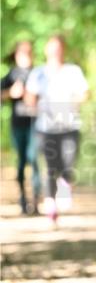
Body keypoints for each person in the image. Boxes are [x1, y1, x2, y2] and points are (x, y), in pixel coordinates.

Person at [24, 35, 89, 223]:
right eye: (51, 48)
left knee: (68, 164)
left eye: (58, 48)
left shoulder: (73, 71)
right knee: (51, 166)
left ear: (63, 50)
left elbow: (84, 93)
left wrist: (72, 103)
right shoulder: (38, 73)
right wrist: (35, 106)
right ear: (46, 50)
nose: (55, 52)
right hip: (46, 127)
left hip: (70, 125)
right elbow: (30, 97)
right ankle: (51, 202)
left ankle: (65, 185)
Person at [1, 40, 42, 215]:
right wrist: (11, 93)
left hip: (36, 124)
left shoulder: (38, 74)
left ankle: (35, 199)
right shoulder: (11, 75)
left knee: (34, 159)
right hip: (18, 125)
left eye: (29, 52)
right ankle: (23, 199)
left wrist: (31, 97)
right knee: (21, 161)